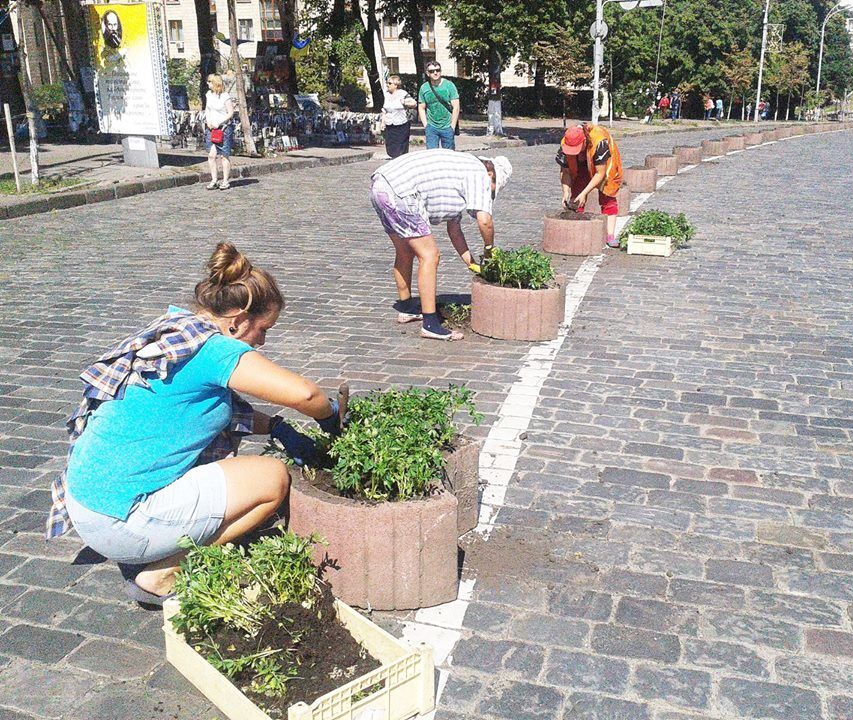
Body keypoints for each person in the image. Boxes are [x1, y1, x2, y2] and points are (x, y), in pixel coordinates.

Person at [46, 242, 341, 605]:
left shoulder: (179, 329)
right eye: (263, 329)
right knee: (272, 478)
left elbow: (219, 411)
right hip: (120, 523)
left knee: (241, 474)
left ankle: (159, 543)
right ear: (237, 322)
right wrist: (330, 415)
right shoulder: (213, 350)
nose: (262, 341)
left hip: (88, 504)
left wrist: (278, 427)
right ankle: (163, 573)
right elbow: (305, 395)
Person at [370, 151, 512, 341]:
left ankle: (406, 308)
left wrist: (471, 263)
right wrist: (489, 250)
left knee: (405, 250)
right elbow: (485, 221)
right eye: (493, 189)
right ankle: (430, 324)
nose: (490, 193)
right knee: (430, 255)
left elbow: (454, 230)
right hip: (402, 192)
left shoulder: (458, 173)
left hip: (381, 184)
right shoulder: (478, 173)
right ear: (491, 175)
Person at [556, 123, 623, 248]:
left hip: (605, 165)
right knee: (577, 192)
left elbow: (600, 174)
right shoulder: (565, 143)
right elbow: (565, 171)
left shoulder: (599, 142)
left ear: (584, 141)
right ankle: (578, 228)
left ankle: (610, 235)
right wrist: (565, 192)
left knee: (607, 193)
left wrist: (585, 193)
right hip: (581, 163)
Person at [418, 62, 459, 150]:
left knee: (449, 155)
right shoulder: (424, 88)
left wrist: (452, 126)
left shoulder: (449, 85)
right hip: (431, 127)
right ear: (427, 73)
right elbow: (421, 107)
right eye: (432, 71)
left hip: (447, 126)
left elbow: (456, 107)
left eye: (438, 70)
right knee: (432, 155)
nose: (435, 73)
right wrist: (426, 125)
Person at [204, 74, 235, 190]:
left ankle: (225, 180)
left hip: (223, 129)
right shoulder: (209, 95)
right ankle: (214, 179)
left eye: (209, 82)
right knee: (211, 155)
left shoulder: (225, 96)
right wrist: (208, 121)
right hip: (211, 128)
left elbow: (230, 113)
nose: (207, 84)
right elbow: (207, 109)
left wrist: (219, 122)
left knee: (224, 155)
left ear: (215, 83)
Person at [381, 74, 418, 158]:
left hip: (401, 125)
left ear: (396, 85)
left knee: (401, 147)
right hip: (389, 124)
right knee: (390, 146)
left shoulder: (403, 93)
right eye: (387, 83)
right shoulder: (386, 95)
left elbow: (414, 103)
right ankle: (394, 159)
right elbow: (384, 110)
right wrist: (383, 123)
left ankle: (400, 161)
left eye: (389, 83)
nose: (387, 85)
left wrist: (404, 102)